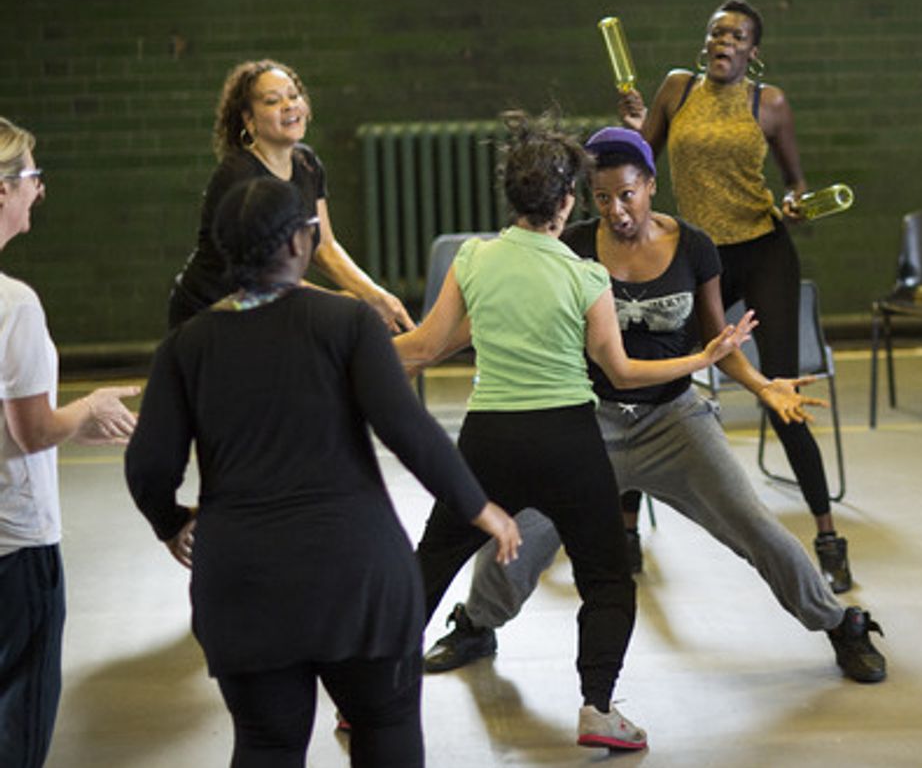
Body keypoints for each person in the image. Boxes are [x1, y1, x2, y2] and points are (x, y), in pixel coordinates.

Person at [421, 127, 887, 686]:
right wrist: (419, 346)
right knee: (522, 531)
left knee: (751, 525)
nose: (616, 210)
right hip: (588, 421)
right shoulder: (574, 246)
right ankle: (477, 624)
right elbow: (491, 324)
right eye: (602, 197)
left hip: (674, 420)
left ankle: (841, 624)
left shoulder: (692, 246)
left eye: (627, 194)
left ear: (650, 185)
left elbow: (719, 344)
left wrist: (762, 386)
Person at [125, 177, 520, 767]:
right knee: (384, 730)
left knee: (267, 745)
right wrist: (480, 507)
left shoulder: (187, 346)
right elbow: (408, 429)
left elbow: (148, 465)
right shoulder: (346, 324)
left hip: (243, 584)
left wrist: (170, 522)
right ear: (296, 244)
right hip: (356, 576)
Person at [393, 117, 755, 752]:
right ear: (567, 202)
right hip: (567, 440)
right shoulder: (587, 277)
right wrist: (701, 360)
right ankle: (597, 708)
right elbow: (621, 369)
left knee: (431, 563)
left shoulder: (474, 257)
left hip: (488, 440)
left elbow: (423, 347)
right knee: (607, 578)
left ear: (513, 196)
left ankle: (371, 697)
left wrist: (339, 353)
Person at [620, 0, 853, 592]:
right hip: (701, 257)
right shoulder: (677, 89)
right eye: (716, 32)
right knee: (644, 375)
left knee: (779, 387)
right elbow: (638, 163)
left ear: (753, 50)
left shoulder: (768, 103)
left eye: (738, 35)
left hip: (765, 249)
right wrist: (631, 126)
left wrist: (799, 203)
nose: (724, 41)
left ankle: (828, 536)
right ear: (705, 44)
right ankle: (624, 530)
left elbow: (794, 183)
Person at [0, 117, 139, 768]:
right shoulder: (15, 305)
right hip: (15, 548)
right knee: (19, 723)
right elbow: (32, 431)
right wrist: (88, 407)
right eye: (30, 176)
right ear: (2, 189)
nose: (40, 190)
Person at [167, 59, 413, 332]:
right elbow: (267, 277)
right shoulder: (239, 176)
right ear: (249, 120)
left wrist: (375, 294)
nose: (289, 105)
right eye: (272, 101)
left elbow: (324, 246)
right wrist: (346, 305)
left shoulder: (307, 163)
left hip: (269, 310)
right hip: (213, 314)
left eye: (294, 96)